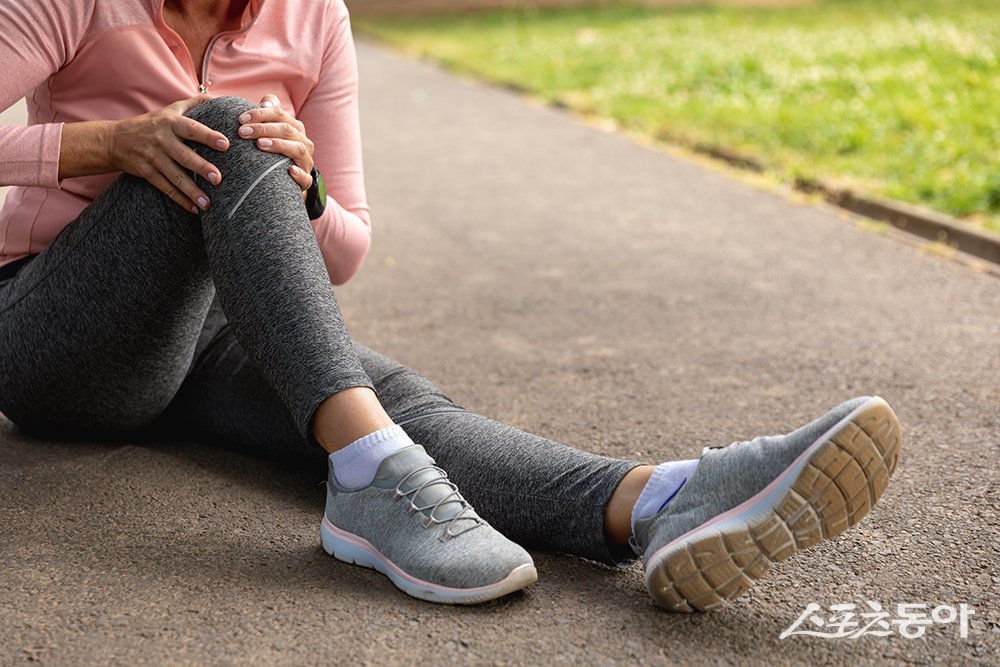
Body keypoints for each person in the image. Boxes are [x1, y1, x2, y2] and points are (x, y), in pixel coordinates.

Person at [0, 0, 902, 611]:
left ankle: (658, 501)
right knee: (229, 127)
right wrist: (108, 143)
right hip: (53, 334)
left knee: (393, 406)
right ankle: (369, 483)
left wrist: (300, 186)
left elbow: (347, 245)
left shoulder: (313, 15)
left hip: (200, 334)